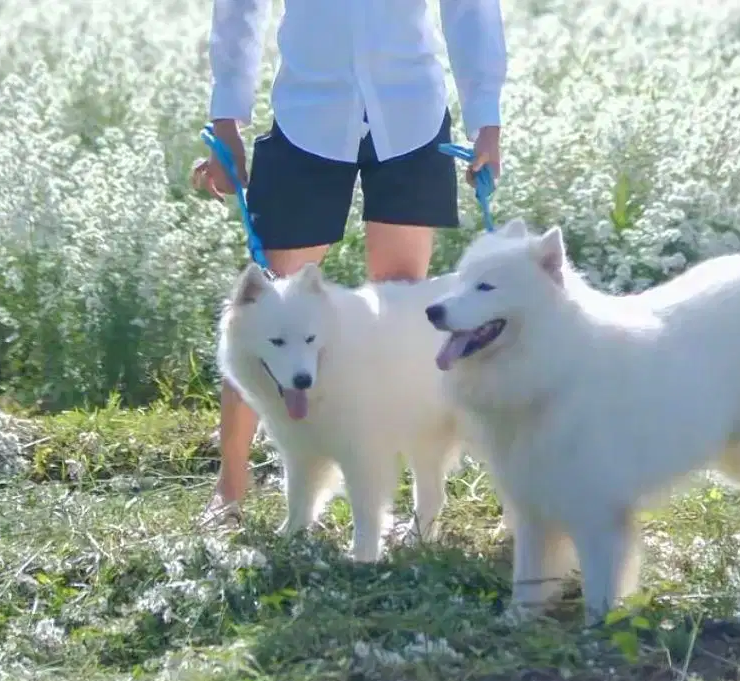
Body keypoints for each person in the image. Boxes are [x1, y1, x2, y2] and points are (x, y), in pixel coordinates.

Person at [191, 0, 508, 528]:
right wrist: (226, 121)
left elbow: (470, 9)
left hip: (412, 116)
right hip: (306, 115)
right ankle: (230, 491)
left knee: (402, 312)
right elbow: (240, 9)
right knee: (269, 310)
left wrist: (487, 120)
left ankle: (404, 492)